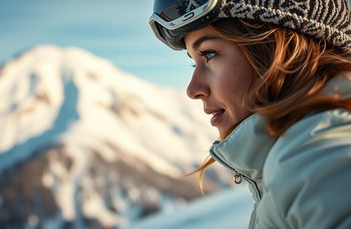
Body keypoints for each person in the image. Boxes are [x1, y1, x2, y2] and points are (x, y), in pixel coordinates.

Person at [149, 0, 351, 228]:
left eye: (210, 54)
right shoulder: (298, 159)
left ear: (278, 48)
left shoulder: (317, 159)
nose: (193, 90)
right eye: (193, 63)